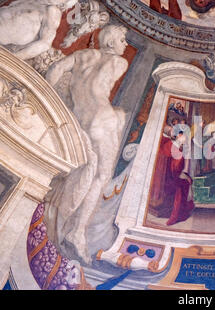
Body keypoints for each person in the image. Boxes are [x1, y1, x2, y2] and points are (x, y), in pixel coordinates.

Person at [44, 25, 129, 263]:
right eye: (122, 39)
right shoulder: (119, 63)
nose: (125, 44)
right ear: (111, 42)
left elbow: (56, 68)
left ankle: (67, 221)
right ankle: (77, 230)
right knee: (102, 176)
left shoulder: (84, 55)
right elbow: (101, 83)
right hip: (103, 118)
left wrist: (50, 101)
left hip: (79, 118)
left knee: (83, 167)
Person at [0, 0, 78, 60]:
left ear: (63, 3)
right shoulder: (32, 1)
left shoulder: (52, 11)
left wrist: (14, 58)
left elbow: (45, 43)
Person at [147, 132, 195, 226]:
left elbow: (179, 167)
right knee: (183, 185)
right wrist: (184, 176)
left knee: (186, 182)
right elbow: (175, 169)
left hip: (170, 176)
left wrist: (185, 174)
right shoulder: (173, 147)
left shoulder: (175, 147)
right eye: (182, 139)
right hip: (170, 177)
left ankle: (182, 211)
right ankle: (178, 215)